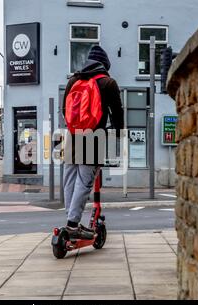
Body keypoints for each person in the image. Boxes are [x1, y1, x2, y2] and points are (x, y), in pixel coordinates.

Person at [62, 45, 124, 239]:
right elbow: (117, 113)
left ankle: (70, 219)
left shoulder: (73, 80)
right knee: (85, 181)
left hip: (72, 135)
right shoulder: (108, 82)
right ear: (104, 64)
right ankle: (73, 224)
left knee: (69, 179)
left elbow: (65, 109)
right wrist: (118, 134)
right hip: (94, 136)